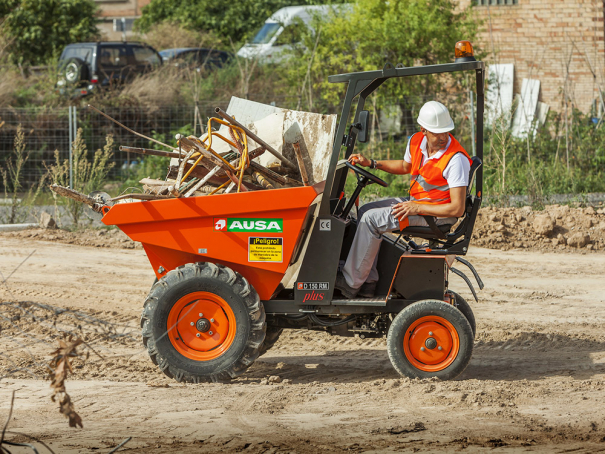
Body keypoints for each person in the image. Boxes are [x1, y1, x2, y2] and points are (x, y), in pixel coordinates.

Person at [335, 101, 472, 299]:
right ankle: (368, 282)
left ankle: (350, 283)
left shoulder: (455, 159)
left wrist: (417, 207)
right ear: (423, 129)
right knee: (364, 211)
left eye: (446, 131)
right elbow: (405, 166)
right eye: (437, 133)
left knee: (372, 220)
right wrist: (372, 163)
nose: (443, 137)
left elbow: (457, 209)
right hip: (419, 204)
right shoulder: (417, 141)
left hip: (437, 215)